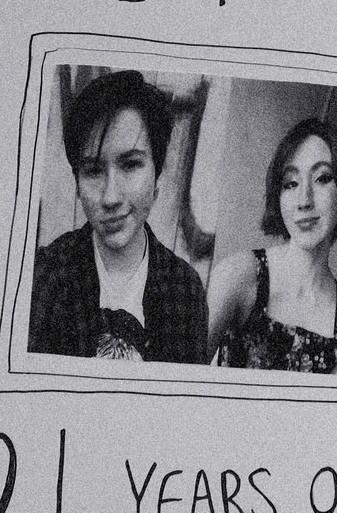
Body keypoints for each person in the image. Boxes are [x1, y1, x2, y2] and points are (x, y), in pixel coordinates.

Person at [26, 70, 208, 363]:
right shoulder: (44, 277)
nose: (111, 197)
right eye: (94, 171)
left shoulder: (185, 291)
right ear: (77, 183)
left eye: (131, 164)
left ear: (157, 175)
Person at [208, 115, 337, 374]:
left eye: (322, 178)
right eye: (290, 183)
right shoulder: (237, 276)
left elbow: (334, 415)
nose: (304, 200)